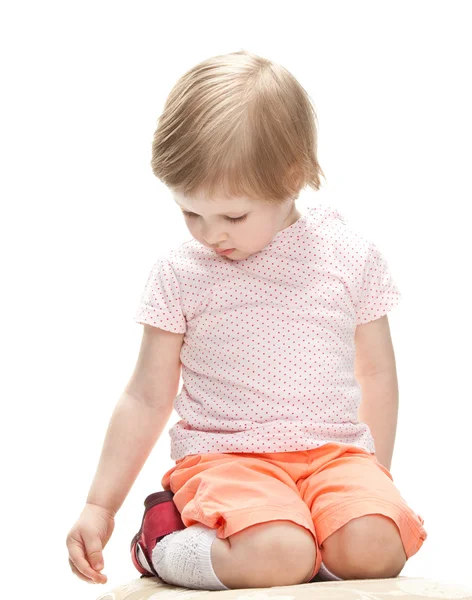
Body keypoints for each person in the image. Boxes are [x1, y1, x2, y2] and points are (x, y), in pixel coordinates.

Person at [66, 49, 427, 590]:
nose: (211, 234)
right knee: (278, 553)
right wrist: (99, 504)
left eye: (233, 215)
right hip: (228, 458)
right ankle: (162, 540)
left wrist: (376, 478)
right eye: (190, 212)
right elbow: (146, 395)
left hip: (335, 455)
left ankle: (308, 537)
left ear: (293, 176)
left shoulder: (348, 256)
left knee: (377, 547)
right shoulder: (181, 272)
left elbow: (376, 374)